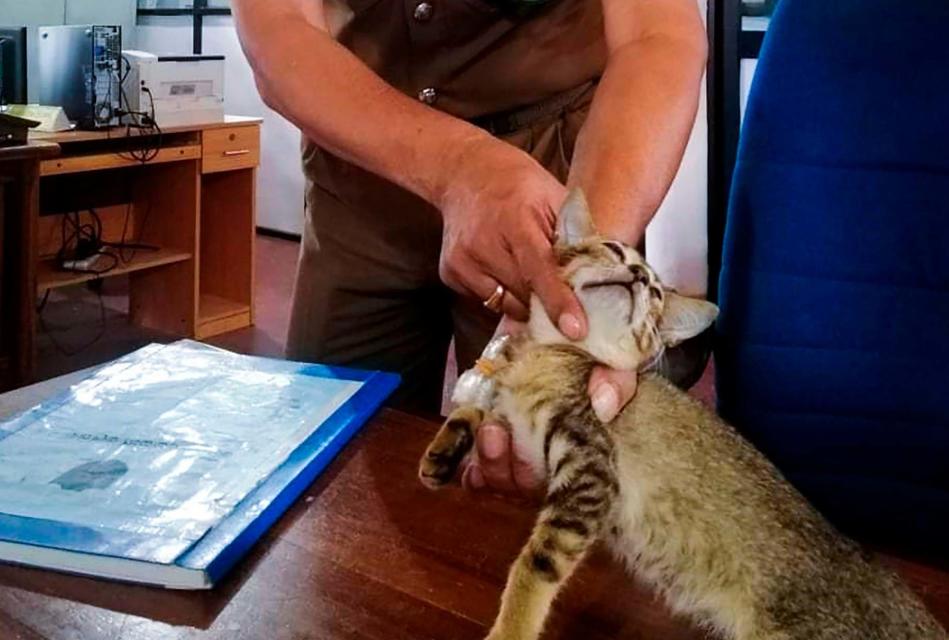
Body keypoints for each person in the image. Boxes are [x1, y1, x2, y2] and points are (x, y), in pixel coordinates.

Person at [233, 0, 708, 494]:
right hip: (360, 173)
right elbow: (278, 25)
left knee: (541, 466)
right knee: (328, 473)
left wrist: (580, 271)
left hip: (551, 187)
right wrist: (457, 166)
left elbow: (656, 36)